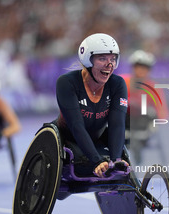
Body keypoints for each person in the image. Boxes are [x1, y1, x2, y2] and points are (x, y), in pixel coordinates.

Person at [53, 33, 128, 178]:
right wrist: (96, 161)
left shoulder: (117, 84)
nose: (109, 64)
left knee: (122, 164)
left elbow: (117, 124)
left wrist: (115, 161)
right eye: (102, 59)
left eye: (113, 59)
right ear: (88, 60)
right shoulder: (66, 82)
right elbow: (76, 125)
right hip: (67, 139)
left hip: (97, 139)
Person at [122, 50, 169, 164]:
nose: (141, 70)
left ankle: (136, 141)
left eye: (145, 67)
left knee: (147, 111)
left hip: (143, 126)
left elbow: (163, 113)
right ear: (133, 67)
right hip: (123, 124)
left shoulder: (154, 88)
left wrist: (154, 122)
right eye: (138, 67)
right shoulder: (122, 81)